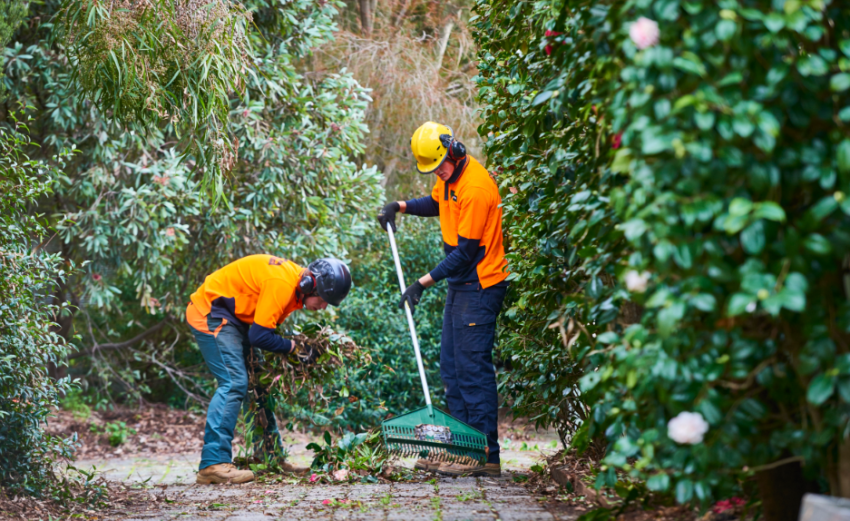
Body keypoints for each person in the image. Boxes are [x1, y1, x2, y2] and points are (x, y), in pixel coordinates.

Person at [377, 121, 509, 477]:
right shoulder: (448, 178)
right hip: (462, 285)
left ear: (454, 150)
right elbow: (435, 204)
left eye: (441, 166)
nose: (439, 173)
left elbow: (466, 252)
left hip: (480, 282)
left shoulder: (477, 187)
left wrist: (422, 282)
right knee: (451, 366)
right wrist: (399, 206)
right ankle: (458, 449)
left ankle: (484, 455)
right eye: (433, 169)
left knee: (472, 370)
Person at [186, 255, 351, 484]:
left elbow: (264, 332)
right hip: (211, 314)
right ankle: (212, 464)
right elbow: (260, 336)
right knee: (234, 382)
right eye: (323, 300)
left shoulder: (293, 289)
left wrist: (293, 349)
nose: (323, 307)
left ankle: (270, 457)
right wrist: (295, 348)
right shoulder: (282, 284)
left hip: (237, 320)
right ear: (310, 285)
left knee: (258, 384)